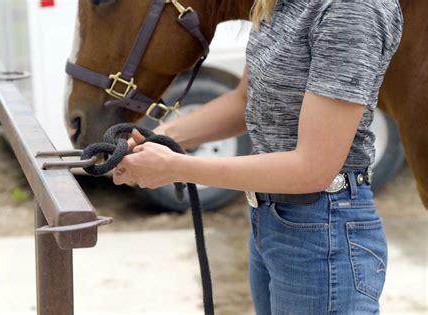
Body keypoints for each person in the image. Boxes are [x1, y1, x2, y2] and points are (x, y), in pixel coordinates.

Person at [113, 0, 403, 313]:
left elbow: (313, 168)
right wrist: (161, 138)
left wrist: (176, 168)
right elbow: (246, 100)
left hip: (323, 227)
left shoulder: (352, 9)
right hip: (271, 220)